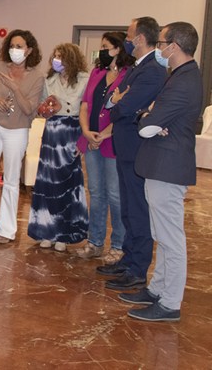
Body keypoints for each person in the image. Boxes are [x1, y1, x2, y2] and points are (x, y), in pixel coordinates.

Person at [121, 22, 202, 322]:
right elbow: (152, 119)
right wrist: (150, 115)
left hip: (168, 166)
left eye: (162, 43)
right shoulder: (180, 75)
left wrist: (147, 115)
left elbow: (147, 125)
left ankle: (169, 303)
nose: (159, 48)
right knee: (162, 234)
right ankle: (157, 289)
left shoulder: (184, 81)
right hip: (161, 165)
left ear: (174, 47)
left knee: (170, 238)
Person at [98, 17, 166, 291]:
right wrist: (116, 101)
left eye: (128, 35)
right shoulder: (138, 67)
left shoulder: (153, 71)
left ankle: (137, 268)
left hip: (137, 149)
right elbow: (112, 99)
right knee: (128, 208)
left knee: (138, 209)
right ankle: (128, 258)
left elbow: (123, 107)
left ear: (140, 38)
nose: (127, 40)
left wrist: (116, 103)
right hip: (125, 147)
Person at [76, 32, 133, 263]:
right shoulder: (97, 72)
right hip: (91, 140)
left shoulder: (129, 74)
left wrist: (105, 133)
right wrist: (86, 131)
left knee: (115, 195)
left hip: (112, 141)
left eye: (106, 46)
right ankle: (95, 242)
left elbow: (126, 110)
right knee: (96, 193)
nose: (102, 50)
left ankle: (118, 245)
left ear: (118, 49)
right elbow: (85, 105)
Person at [27, 43, 90, 252]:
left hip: (71, 132)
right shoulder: (49, 79)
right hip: (51, 133)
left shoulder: (84, 79)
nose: (57, 60)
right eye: (55, 56)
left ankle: (63, 234)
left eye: (60, 57)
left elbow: (84, 108)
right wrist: (45, 108)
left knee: (66, 184)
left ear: (71, 59)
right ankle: (46, 231)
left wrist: (62, 105)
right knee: (48, 183)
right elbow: (42, 107)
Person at [0, 29, 45, 244]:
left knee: (11, 180)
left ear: (29, 50)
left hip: (18, 129)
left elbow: (30, 108)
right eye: (11, 46)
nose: (14, 50)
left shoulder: (37, 76)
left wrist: (15, 88)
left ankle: (6, 229)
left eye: (19, 47)